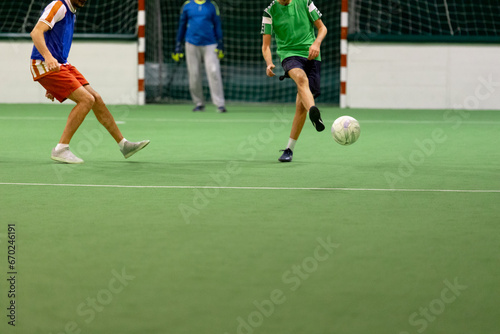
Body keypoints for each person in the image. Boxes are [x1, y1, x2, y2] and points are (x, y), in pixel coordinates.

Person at [30, 0, 150, 164]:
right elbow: (36, 32)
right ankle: (61, 148)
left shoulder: (72, 10)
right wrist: (48, 58)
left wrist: (53, 83)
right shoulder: (58, 6)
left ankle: (124, 145)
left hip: (61, 65)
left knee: (96, 99)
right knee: (86, 100)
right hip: (44, 63)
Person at [261, 0, 327, 162]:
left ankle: (289, 149)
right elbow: (266, 46)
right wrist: (269, 63)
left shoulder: (305, 2)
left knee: (300, 106)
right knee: (300, 78)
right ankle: (314, 111)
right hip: (289, 55)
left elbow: (322, 28)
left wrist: (316, 43)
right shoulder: (269, 12)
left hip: (312, 54)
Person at [172, 0, 227, 113]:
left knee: (213, 71)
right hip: (191, 43)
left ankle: (220, 104)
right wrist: (178, 44)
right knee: (194, 74)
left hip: (210, 43)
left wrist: (220, 42)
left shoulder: (212, 5)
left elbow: (217, 25)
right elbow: (182, 25)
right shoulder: (187, 5)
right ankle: (199, 103)